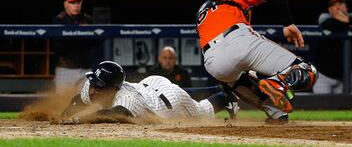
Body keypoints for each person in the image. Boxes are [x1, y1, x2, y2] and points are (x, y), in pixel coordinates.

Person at [195, 0, 318, 123]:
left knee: (240, 81)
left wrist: (228, 90)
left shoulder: (202, 12)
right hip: (237, 40)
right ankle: (278, 83)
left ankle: (277, 115)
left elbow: (224, 56)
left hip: (213, 63)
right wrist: (287, 23)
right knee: (306, 72)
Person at [59, 61, 239, 124]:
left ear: (112, 89)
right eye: (93, 84)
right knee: (178, 89)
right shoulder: (93, 87)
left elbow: (114, 114)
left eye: (98, 87)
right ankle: (216, 88)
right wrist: (65, 116)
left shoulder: (127, 99)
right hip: (148, 85)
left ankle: (226, 95)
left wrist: (81, 120)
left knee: (202, 111)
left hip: (169, 102)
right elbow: (78, 100)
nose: (93, 90)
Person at [52, 0, 99, 93]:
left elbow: (95, 43)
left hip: (85, 70)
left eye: (78, 2)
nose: (76, 5)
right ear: (65, 4)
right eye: (72, 2)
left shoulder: (88, 19)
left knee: (86, 103)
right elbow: (60, 46)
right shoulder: (59, 20)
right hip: (66, 70)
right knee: (62, 103)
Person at [313, 0, 352, 93]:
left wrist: (347, 19)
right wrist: (350, 22)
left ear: (346, 7)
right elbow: (329, 24)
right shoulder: (324, 18)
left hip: (346, 75)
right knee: (321, 106)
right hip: (325, 75)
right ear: (329, 10)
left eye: (341, 4)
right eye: (333, 5)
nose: (338, 7)